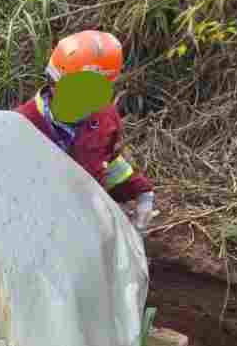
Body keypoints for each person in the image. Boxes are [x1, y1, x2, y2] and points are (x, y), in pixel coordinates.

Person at [16, 30, 157, 233]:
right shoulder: (22, 125)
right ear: (54, 82)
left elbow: (108, 162)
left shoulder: (105, 118)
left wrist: (141, 192)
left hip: (85, 228)